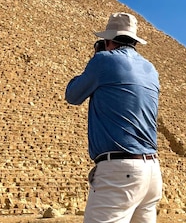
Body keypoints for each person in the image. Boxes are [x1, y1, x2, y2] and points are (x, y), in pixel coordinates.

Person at [65, 12, 162, 223]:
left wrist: (96, 58)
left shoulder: (103, 61)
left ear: (109, 41)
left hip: (121, 171)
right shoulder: (151, 70)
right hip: (152, 172)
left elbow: (72, 95)